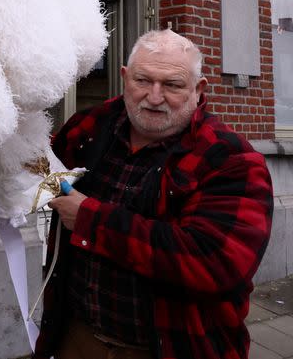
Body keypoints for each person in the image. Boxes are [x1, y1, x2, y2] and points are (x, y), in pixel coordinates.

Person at [35, 29, 274, 359]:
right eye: (142, 80)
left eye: (172, 85)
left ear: (198, 89)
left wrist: (91, 220)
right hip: (75, 338)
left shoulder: (231, 159)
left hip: (173, 347)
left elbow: (214, 263)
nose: (154, 96)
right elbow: (42, 168)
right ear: (124, 77)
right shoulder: (91, 126)